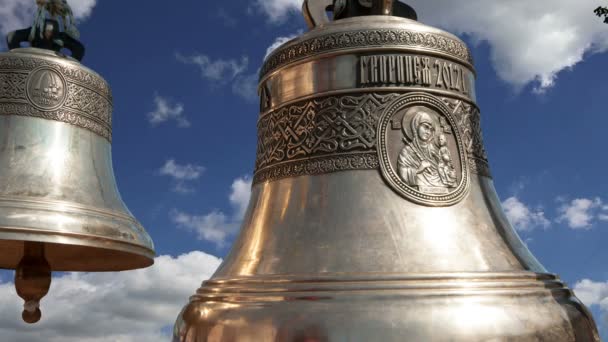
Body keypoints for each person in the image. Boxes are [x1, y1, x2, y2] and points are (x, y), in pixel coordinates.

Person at [397, 110, 452, 194]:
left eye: (431, 129)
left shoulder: (435, 151)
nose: (428, 132)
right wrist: (419, 169)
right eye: (425, 127)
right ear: (416, 126)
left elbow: (444, 169)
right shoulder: (407, 151)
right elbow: (402, 172)